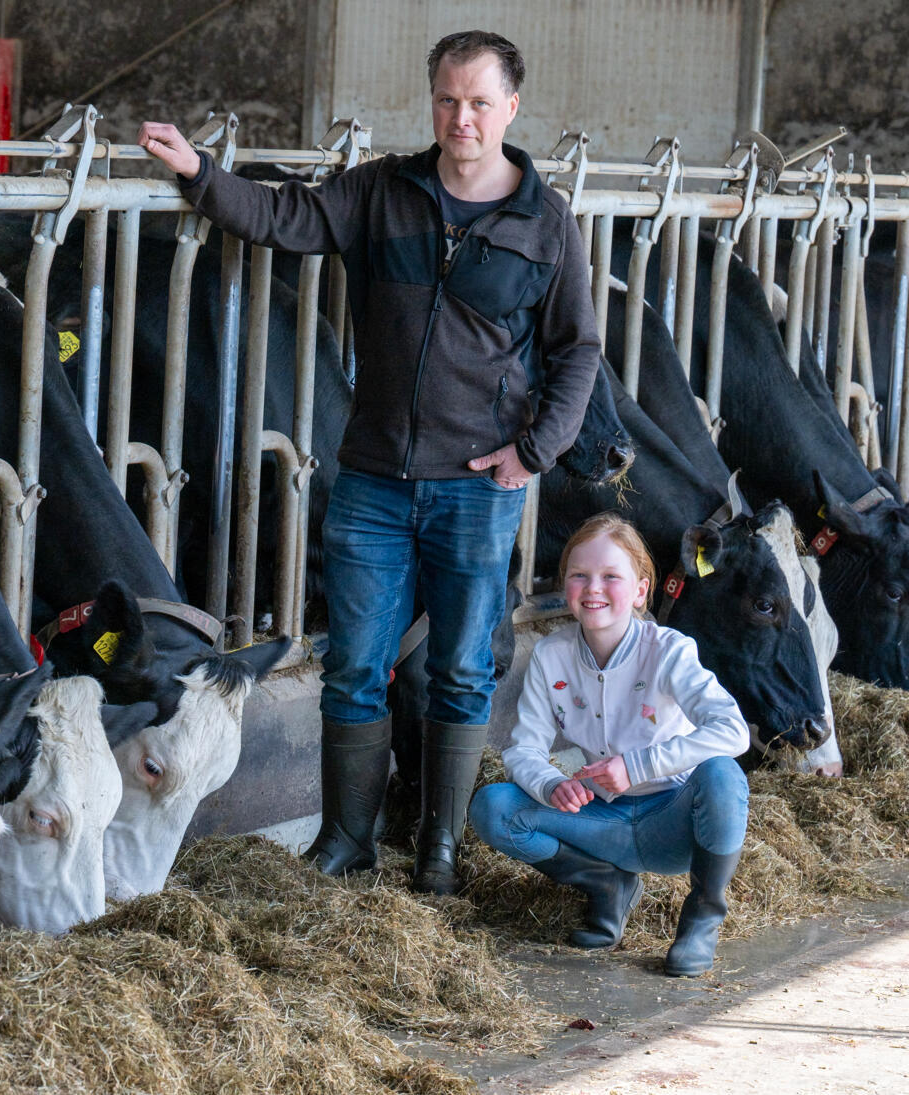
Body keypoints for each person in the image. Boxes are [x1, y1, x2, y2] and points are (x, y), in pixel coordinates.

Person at [138, 30, 601, 893]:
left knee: (464, 669)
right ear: (433, 102)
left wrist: (533, 453)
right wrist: (199, 174)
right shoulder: (384, 191)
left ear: (511, 109)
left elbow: (578, 351)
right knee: (355, 662)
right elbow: (285, 215)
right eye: (447, 100)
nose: (461, 117)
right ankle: (348, 841)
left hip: (477, 485)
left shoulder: (545, 224)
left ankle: (442, 848)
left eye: (478, 102)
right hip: (375, 479)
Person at [469, 514, 750, 976]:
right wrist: (551, 785)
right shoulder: (550, 654)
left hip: (674, 822)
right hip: (600, 821)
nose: (593, 587)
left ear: (641, 591)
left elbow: (732, 730)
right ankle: (606, 885)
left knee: (722, 774)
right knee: (493, 807)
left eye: (611, 577)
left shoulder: (669, 650)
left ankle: (702, 916)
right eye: (579, 575)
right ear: (565, 586)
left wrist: (637, 767)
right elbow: (524, 749)